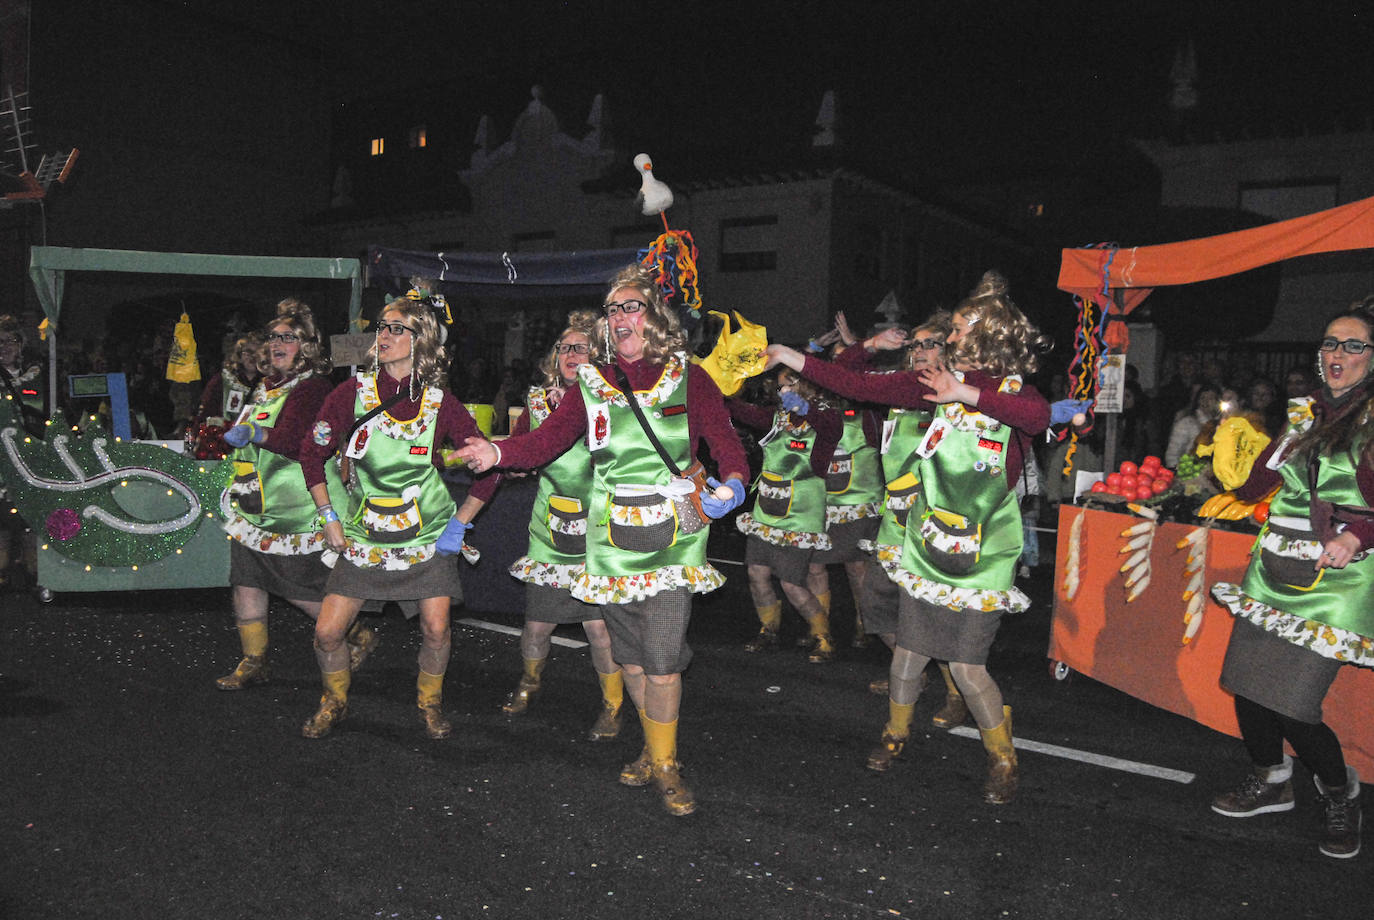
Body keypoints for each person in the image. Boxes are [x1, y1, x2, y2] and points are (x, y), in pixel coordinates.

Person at [457, 264, 749, 816]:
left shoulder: (689, 376)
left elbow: (725, 443)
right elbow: (542, 444)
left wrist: (732, 484)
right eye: (613, 309)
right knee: (632, 659)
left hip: (673, 540)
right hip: (609, 542)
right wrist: (496, 452)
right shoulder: (592, 383)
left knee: (662, 656)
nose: (620, 317)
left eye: (630, 306)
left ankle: (666, 767)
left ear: (657, 316)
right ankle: (650, 745)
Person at [766, 271, 1050, 804]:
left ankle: (1003, 759)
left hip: (984, 556)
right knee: (907, 656)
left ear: (989, 333)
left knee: (967, 669)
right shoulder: (926, 386)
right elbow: (858, 385)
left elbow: (1033, 416)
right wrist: (790, 355)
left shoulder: (1012, 393)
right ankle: (894, 735)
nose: (952, 338)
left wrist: (963, 391)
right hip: (927, 546)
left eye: (962, 329)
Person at [1208, 299, 1374, 859]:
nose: (1337, 353)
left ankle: (1340, 792)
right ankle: (1271, 780)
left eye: (1353, 345)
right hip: (1275, 566)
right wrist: (1272, 435)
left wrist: (1357, 536)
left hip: (1337, 578)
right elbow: (1255, 489)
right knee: (1249, 686)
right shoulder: (1307, 414)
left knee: (1295, 704)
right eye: (1330, 343)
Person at [299, 294, 485, 740]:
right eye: (381, 327)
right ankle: (335, 701)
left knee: (437, 628)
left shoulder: (442, 404)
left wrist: (459, 524)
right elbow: (312, 452)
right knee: (327, 633)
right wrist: (329, 517)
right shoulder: (353, 393)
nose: (383, 336)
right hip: (366, 534)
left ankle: (429, 703)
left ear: (420, 340)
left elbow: (487, 469)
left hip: (427, 535)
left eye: (395, 328)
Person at [829, 313, 970, 727]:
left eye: (931, 344)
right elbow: (845, 374)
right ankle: (915, 671)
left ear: (950, 350)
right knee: (876, 606)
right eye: (915, 345)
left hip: (932, 526)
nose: (920, 352)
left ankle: (955, 690)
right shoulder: (901, 389)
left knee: (927, 615)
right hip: (894, 520)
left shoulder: (957, 394)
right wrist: (868, 344)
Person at [496, 310, 627, 740]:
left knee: (599, 631)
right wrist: (510, 465)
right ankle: (530, 682)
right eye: (566, 347)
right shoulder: (535, 404)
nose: (573, 353)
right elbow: (520, 450)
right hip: (548, 534)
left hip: (599, 536)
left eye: (583, 347)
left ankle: (612, 705)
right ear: (555, 357)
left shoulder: (614, 400)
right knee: (536, 626)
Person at [215, 301, 355, 691]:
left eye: (289, 338)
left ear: (307, 345)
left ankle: (355, 633)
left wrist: (255, 435)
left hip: (297, 506)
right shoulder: (265, 386)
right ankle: (253, 660)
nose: (278, 343)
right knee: (246, 579)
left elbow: (299, 445)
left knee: (297, 587)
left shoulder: (312, 387)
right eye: (274, 336)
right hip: (256, 501)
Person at [729, 366, 841, 661]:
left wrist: (806, 409)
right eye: (780, 388)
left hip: (800, 516)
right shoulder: (775, 418)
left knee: (792, 581)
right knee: (757, 573)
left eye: (788, 386)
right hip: (766, 512)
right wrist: (721, 390)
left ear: (807, 386)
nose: (782, 393)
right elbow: (742, 412)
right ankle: (769, 629)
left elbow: (833, 429)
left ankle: (822, 635)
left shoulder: (824, 419)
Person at [0, 315, 45, 591]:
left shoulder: (37, 376)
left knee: (29, 519)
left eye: (10, 341)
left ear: (21, 345)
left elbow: (43, 413)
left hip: (28, 457)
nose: (3, 347)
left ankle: (34, 572)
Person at [187, 334, 262, 460]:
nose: (252, 357)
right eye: (248, 352)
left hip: (255, 450)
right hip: (222, 448)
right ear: (239, 355)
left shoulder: (270, 384)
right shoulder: (223, 381)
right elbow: (205, 413)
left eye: (258, 353)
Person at [1164, 383, 1221, 468]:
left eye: (1210, 398)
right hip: (1191, 472)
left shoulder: (1224, 424)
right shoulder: (1186, 423)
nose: (1206, 402)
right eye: (1203, 398)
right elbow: (1172, 454)